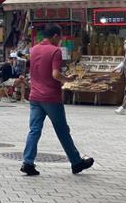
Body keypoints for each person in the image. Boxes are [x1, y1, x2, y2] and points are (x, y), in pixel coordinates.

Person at [20, 24, 94, 176]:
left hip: (35, 96)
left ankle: (27, 162)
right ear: (54, 36)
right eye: (59, 37)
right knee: (62, 131)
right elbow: (55, 74)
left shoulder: (34, 49)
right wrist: (67, 79)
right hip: (51, 97)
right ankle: (76, 162)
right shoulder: (55, 51)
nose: (60, 40)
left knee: (34, 130)